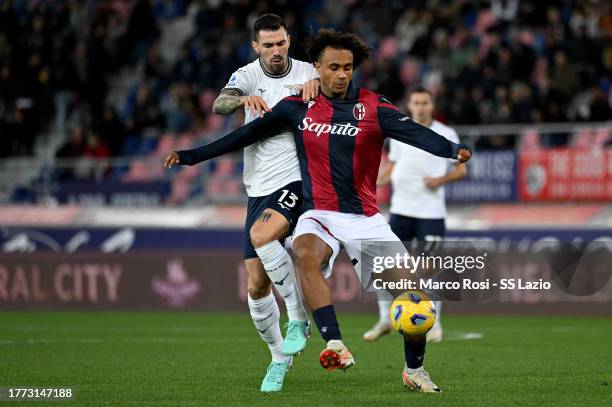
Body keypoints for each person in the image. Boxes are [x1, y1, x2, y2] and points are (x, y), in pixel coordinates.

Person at [165, 28, 471, 392]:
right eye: (334, 67)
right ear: (317, 69)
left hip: (365, 219)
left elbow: (415, 133)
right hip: (319, 212)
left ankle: (414, 371)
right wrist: (192, 156)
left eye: (348, 67)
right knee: (304, 251)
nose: (342, 74)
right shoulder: (297, 107)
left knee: (414, 300)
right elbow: (244, 136)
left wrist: (453, 151)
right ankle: (335, 343)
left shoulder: (373, 106)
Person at [206, 14, 320, 392]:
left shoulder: (307, 73)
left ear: (290, 41)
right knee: (255, 285)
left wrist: (320, 88)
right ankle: (278, 357)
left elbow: (342, 90)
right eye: (268, 45)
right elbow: (220, 106)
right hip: (257, 188)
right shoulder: (247, 75)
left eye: (281, 43)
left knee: (266, 236)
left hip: (295, 180)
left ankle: (298, 316)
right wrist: (240, 98)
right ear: (256, 47)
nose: (276, 51)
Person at [363, 86, 467, 343]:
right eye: (416, 103)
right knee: (383, 265)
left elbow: (461, 170)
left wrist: (440, 179)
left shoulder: (445, 133)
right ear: (410, 106)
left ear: (432, 106)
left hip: (430, 213)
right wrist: (373, 182)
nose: (420, 107)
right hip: (400, 211)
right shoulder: (400, 132)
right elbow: (393, 168)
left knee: (428, 270)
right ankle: (385, 319)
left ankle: (435, 324)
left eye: (425, 103)